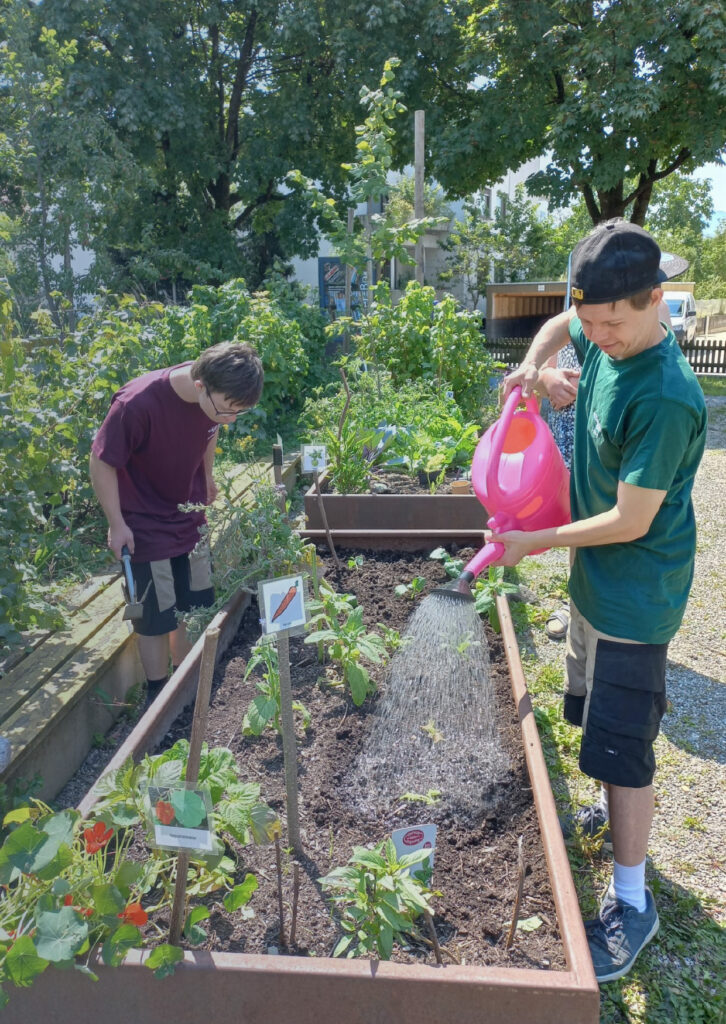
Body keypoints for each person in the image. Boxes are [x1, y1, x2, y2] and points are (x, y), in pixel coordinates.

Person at [494, 220, 707, 983]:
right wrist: (535, 368)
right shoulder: (601, 329)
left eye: (611, 323)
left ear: (656, 298)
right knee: (596, 724)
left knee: (625, 747)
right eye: (592, 322)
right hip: (595, 583)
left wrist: (535, 541)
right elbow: (561, 323)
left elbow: (630, 519)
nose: (599, 337)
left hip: (634, 599)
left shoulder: (666, 396)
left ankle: (633, 900)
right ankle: (612, 810)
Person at [90, 342, 264, 704]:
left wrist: (208, 476)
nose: (230, 419)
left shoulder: (214, 397)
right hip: (143, 522)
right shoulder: (136, 404)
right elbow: (101, 461)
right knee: (155, 616)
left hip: (189, 513)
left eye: (239, 412)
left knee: (193, 604)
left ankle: (185, 687)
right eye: (228, 410)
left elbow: (210, 431)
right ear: (200, 387)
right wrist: (116, 523)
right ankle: (157, 695)